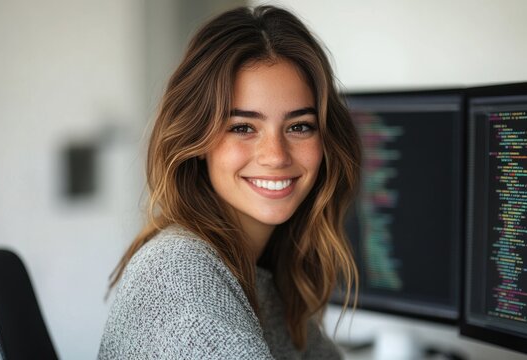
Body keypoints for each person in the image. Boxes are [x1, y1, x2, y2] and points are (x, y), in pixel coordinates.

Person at [98, 5, 361, 359]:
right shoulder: (179, 274)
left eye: (299, 126)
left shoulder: (263, 274)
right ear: (197, 141)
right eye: (242, 127)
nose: (276, 155)